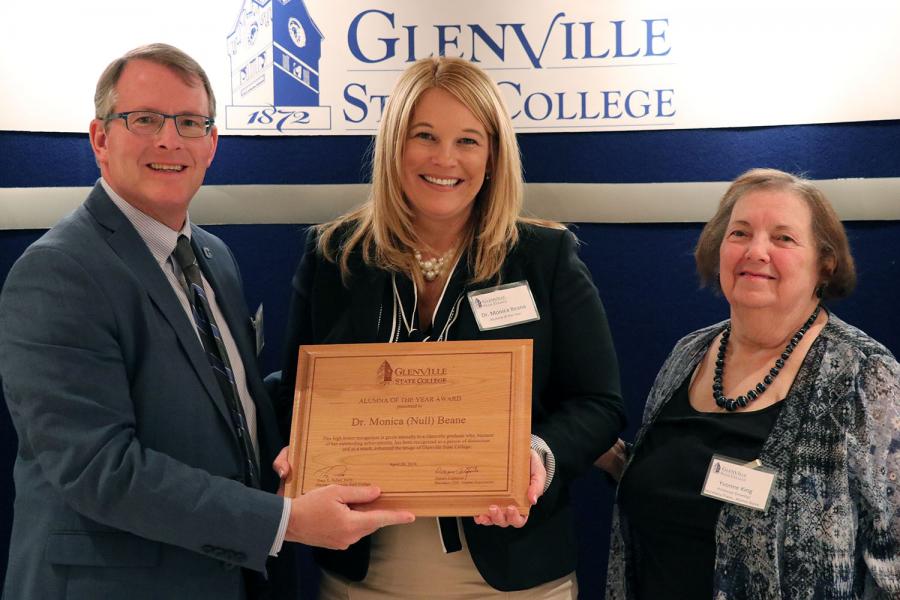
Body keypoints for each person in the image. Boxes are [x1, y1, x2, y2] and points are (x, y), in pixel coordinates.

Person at [0, 43, 412, 600]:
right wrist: (284, 522)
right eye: (144, 119)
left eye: (190, 122)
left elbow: (230, 405)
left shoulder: (214, 257)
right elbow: (100, 469)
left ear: (212, 144)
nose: (169, 140)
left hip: (226, 578)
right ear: (100, 139)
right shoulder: (58, 272)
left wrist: (346, 408)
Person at [274, 56, 624, 598]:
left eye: (468, 140)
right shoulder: (334, 257)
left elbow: (598, 404)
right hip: (365, 572)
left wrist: (537, 456)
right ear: (395, 145)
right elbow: (297, 393)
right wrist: (297, 444)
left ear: (492, 156)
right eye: (425, 136)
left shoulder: (542, 256)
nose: (445, 158)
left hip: (515, 569)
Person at [601, 168, 900, 598]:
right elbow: (680, 484)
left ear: (825, 263)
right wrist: (611, 460)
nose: (756, 251)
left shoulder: (864, 376)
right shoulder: (689, 354)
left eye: (783, 238)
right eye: (740, 233)